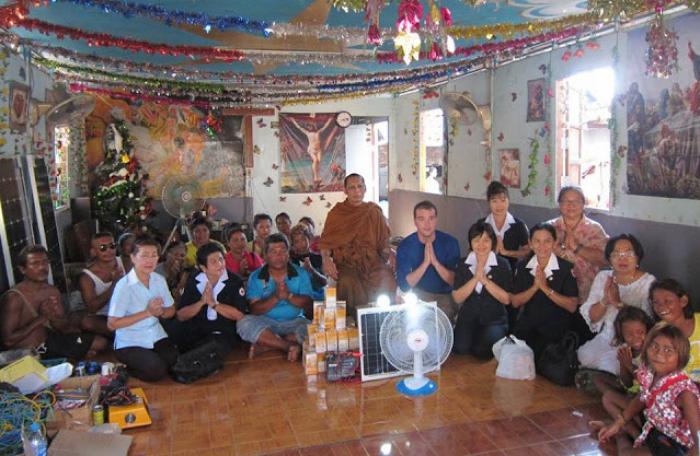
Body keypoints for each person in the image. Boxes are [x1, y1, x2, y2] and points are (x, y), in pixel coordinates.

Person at [598, 324, 700, 456]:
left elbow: (698, 437)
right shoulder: (649, 374)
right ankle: (633, 435)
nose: (658, 353)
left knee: (626, 454)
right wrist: (618, 423)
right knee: (609, 398)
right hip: (657, 426)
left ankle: (622, 436)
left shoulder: (685, 392)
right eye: (654, 346)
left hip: (677, 443)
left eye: (668, 350)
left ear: (680, 357)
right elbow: (643, 396)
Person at [0, 245, 108, 359]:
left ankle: (70, 354)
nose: (42, 267)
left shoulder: (51, 291)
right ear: (23, 269)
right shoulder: (14, 298)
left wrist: (56, 319)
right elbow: (8, 341)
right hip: (27, 351)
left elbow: (62, 326)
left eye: (45, 262)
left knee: (100, 342)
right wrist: (41, 318)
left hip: (50, 341)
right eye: (35, 263)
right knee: (86, 351)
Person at [577, 234, 656, 375]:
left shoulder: (648, 282)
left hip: (633, 342)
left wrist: (619, 303)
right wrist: (605, 301)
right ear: (609, 259)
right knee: (582, 357)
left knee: (612, 369)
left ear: (638, 257)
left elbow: (648, 322)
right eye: (616, 254)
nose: (622, 258)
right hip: (607, 337)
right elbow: (592, 317)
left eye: (628, 253)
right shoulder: (603, 277)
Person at [319, 173, 396, 315]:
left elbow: (383, 241)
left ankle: (385, 323)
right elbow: (325, 242)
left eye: (360, 186)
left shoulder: (373, 211)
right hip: (347, 263)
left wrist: (391, 253)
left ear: (365, 188)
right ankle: (354, 325)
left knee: (388, 279)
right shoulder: (336, 214)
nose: (357, 191)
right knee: (348, 282)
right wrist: (325, 259)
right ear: (345, 191)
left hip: (372, 262)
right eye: (352, 188)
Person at [107, 236, 178, 382]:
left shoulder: (159, 280)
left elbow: (171, 309)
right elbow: (112, 324)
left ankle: (150, 361)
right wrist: (148, 312)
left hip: (155, 334)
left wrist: (162, 312)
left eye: (154, 256)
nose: (150, 261)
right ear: (133, 258)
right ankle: (125, 368)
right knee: (156, 371)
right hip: (130, 340)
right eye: (144, 256)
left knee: (173, 361)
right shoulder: (124, 286)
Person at [237, 234, 313, 361]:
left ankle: (269, 344)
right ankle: (287, 345)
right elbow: (254, 309)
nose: (279, 256)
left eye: (283, 251)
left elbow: (308, 303)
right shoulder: (256, 276)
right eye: (273, 251)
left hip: (295, 321)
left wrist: (288, 296)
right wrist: (276, 297)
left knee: (314, 331)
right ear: (265, 256)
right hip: (266, 322)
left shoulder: (301, 273)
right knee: (243, 323)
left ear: (289, 254)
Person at [511, 223, 579, 359]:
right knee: (512, 356)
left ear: (555, 243)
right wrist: (535, 287)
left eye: (547, 241)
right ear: (530, 243)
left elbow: (572, 306)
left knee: (538, 359)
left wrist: (545, 288)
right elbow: (515, 302)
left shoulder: (566, 268)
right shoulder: (523, 266)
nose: (542, 246)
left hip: (555, 327)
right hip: (528, 324)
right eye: (537, 241)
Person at [165, 242, 246, 354]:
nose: (220, 264)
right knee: (174, 330)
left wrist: (214, 304)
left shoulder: (234, 281)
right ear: (203, 267)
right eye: (213, 261)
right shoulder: (194, 279)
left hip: (221, 330)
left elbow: (240, 315)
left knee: (215, 345)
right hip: (197, 328)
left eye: (221, 259)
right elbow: (181, 315)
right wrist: (201, 302)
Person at [452, 221, 512, 359]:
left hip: (494, 319)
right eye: (477, 240)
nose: (481, 244)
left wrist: (484, 280)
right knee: (460, 348)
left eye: (486, 240)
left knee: (483, 352)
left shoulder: (502, 264)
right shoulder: (463, 264)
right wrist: (475, 278)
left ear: (493, 242)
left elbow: (506, 299)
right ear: (470, 243)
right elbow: (457, 297)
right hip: (468, 317)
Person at [395, 200, 460, 320]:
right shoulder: (406, 245)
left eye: (431, 218)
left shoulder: (450, 242)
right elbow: (404, 285)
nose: (427, 224)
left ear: (436, 220)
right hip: (418, 294)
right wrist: (425, 263)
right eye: (421, 219)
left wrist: (435, 262)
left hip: (444, 296)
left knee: (437, 322)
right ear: (415, 221)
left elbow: (454, 281)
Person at [592, 307, 653, 430]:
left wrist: (630, 366)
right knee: (598, 379)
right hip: (633, 392)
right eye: (629, 334)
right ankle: (620, 422)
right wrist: (624, 365)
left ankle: (632, 434)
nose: (636, 338)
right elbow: (627, 383)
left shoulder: (652, 350)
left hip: (647, 400)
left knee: (608, 397)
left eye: (640, 332)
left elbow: (650, 383)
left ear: (648, 330)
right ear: (622, 335)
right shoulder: (626, 350)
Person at [549, 185, 608, 304]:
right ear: (559, 204)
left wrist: (577, 248)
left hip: (587, 294)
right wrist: (556, 251)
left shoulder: (594, 229)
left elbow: (605, 260)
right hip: (555, 293)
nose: (571, 205)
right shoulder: (549, 228)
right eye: (566, 201)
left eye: (576, 201)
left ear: (583, 204)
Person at [649, 279, 700, 383]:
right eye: (656, 302)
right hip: (677, 388)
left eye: (668, 301)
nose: (661, 307)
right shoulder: (658, 331)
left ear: (683, 301)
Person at [77, 232, 124, 336]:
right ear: (93, 252)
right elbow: (92, 308)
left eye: (112, 246)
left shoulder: (125, 262)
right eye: (103, 248)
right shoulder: (87, 277)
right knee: (87, 323)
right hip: (105, 317)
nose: (109, 251)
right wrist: (114, 285)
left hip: (130, 311)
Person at [478, 181, 530, 271]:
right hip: (485, 270)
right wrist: (492, 252)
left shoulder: (518, 225)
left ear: (508, 201)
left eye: (503, 200)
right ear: (488, 202)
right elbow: (472, 250)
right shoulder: (482, 224)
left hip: (510, 271)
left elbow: (528, 251)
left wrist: (506, 252)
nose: (499, 205)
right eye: (494, 201)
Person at [289, 116, 335, 186]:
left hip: (318, 149)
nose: (309, 128)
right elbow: (299, 127)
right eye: (308, 127)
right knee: (315, 161)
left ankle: (317, 177)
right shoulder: (307, 133)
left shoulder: (318, 132)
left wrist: (329, 119)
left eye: (310, 126)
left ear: (313, 126)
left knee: (318, 162)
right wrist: (293, 120)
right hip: (312, 149)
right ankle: (315, 177)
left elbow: (325, 126)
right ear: (307, 128)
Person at [289, 223, 326, 303]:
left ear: (309, 239)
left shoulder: (318, 258)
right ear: (293, 244)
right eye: (296, 241)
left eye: (303, 239)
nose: (301, 243)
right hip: (300, 299)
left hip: (318, 299)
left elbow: (325, 282)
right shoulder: (291, 260)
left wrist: (311, 270)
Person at [155, 241, 189, 306]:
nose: (179, 258)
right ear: (167, 254)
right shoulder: (156, 272)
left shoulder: (187, 272)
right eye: (175, 254)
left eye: (182, 255)